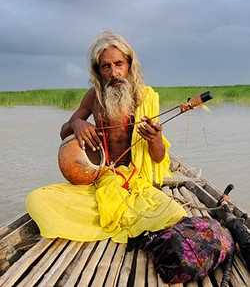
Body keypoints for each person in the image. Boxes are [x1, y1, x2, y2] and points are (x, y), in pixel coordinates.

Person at [26, 31, 187, 243]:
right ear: (98, 71)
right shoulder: (94, 96)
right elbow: (63, 133)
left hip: (136, 183)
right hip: (100, 181)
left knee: (174, 213)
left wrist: (154, 139)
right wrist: (77, 124)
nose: (114, 72)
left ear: (129, 65)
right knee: (36, 200)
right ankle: (125, 221)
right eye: (106, 66)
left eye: (119, 64)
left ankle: (111, 220)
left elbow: (158, 158)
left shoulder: (144, 98)